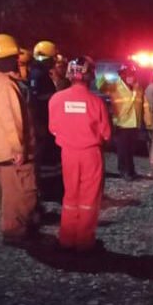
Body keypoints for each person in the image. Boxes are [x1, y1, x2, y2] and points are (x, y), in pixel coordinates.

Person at [0, 33, 38, 245]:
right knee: (22, 193)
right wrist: (18, 149)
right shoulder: (4, 86)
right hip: (13, 153)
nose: (16, 61)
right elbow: (12, 121)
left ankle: (14, 229)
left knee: (10, 192)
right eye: (13, 57)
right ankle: (16, 233)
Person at [48, 56, 111, 252]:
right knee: (89, 199)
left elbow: (53, 128)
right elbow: (106, 133)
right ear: (90, 75)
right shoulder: (96, 102)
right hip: (90, 154)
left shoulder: (56, 99)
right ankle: (84, 242)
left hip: (68, 154)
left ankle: (66, 239)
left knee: (70, 196)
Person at [28, 40, 61, 200]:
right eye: (53, 58)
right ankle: (49, 190)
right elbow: (37, 102)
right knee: (46, 156)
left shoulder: (38, 72)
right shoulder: (38, 74)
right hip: (43, 122)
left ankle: (51, 187)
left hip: (46, 122)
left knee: (50, 156)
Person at [104, 63, 146, 181]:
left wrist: (146, 122)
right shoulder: (114, 86)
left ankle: (131, 170)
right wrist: (105, 74)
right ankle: (124, 171)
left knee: (131, 149)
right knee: (123, 150)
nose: (130, 76)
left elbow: (142, 105)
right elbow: (100, 86)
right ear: (121, 75)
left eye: (132, 74)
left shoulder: (138, 87)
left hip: (134, 123)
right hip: (121, 124)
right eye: (128, 74)